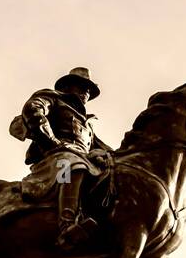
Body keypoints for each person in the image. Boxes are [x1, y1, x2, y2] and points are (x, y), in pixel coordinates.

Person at [8, 66, 112, 246]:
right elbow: (33, 109)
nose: (86, 92)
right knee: (71, 164)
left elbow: (103, 148)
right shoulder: (54, 99)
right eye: (82, 86)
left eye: (89, 90)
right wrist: (51, 141)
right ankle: (67, 225)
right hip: (55, 158)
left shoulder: (87, 124)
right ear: (68, 86)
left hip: (82, 159)